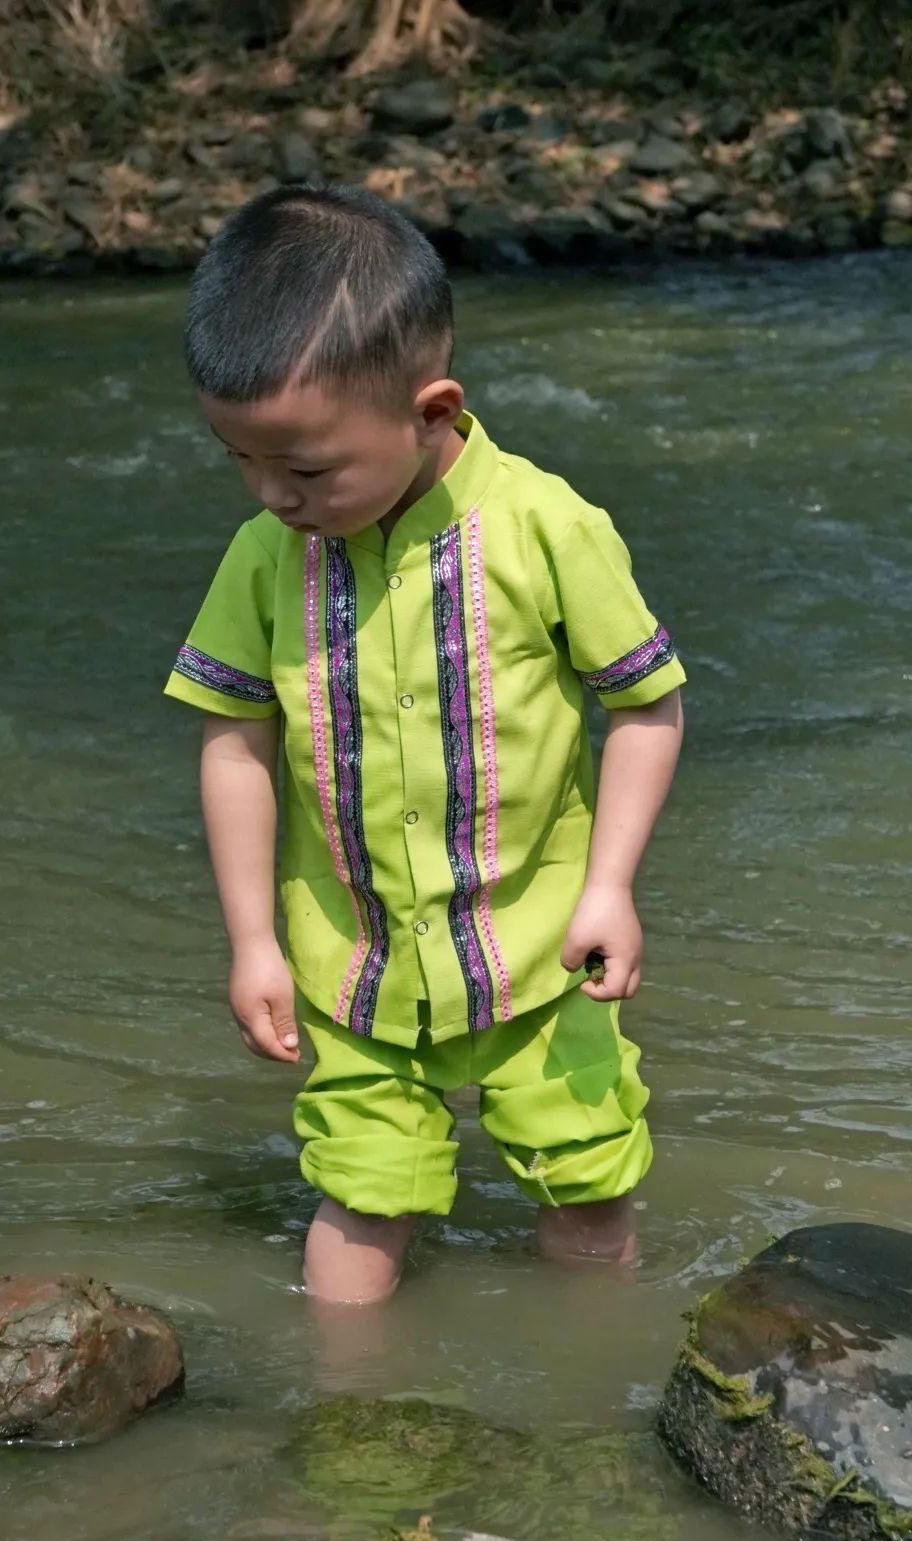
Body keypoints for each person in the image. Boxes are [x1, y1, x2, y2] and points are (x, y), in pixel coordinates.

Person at [162, 180, 686, 1308]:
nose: (271, 495)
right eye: (240, 461)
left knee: (588, 1193)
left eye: (306, 470)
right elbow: (234, 746)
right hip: (350, 967)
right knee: (359, 1206)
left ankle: (595, 1413)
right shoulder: (265, 559)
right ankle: (346, 1433)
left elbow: (644, 705)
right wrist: (254, 940)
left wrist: (612, 887)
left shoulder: (549, 527)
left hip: (542, 957)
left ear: (433, 409)